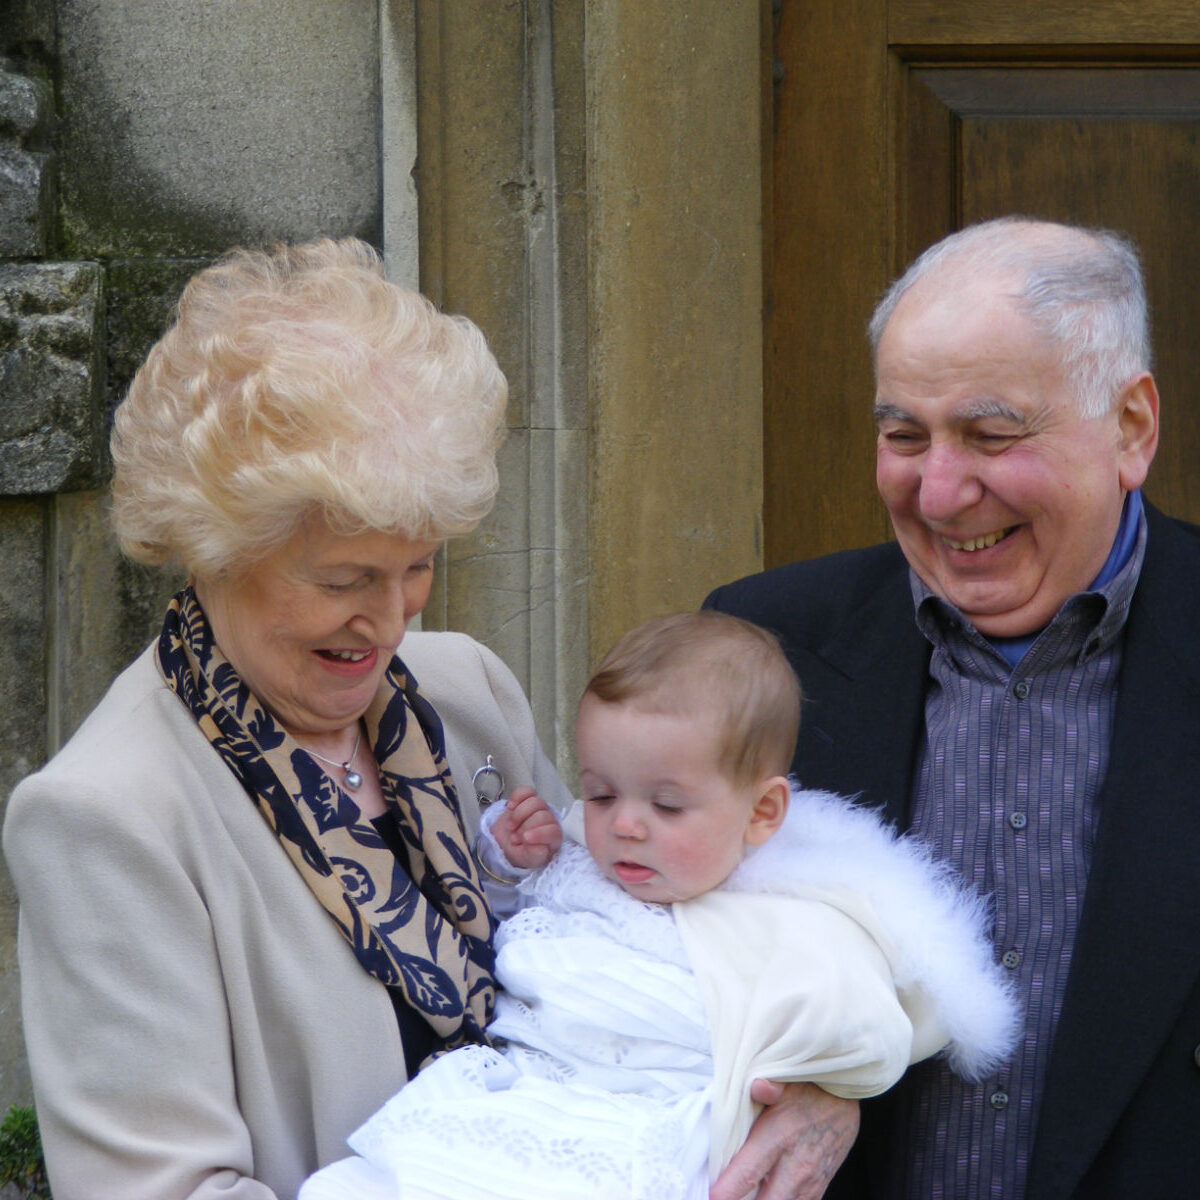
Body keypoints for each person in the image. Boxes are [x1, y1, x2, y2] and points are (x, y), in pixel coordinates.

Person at [2, 238, 575, 1200]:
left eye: (418, 567)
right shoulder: (107, 816)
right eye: (345, 581)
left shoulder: (467, 692)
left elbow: (610, 934)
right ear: (214, 549)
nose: (393, 623)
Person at [705, 216, 1200, 1199]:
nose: (938, 492)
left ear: (1132, 427)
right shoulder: (760, 645)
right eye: (903, 436)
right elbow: (664, 947)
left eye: (991, 434)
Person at [300, 611, 1017, 1200]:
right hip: (520, 1091)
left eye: (668, 804)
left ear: (762, 814)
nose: (626, 824)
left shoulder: (799, 919)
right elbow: (496, 920)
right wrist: (508, 855)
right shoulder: (582, 859)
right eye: (603, 791)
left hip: (646, 1127)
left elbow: (863, 1028)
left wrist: (826, 1073)